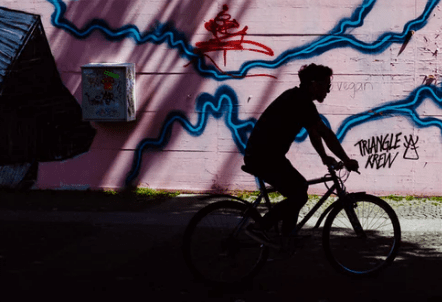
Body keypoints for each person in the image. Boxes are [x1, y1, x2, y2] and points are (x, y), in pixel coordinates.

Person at [244, 63, 359, 249]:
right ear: (314, 84)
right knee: (299, 192)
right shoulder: (300, 101)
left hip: (266, 155)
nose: (328, 90)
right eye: (327, 85)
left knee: (297, 189)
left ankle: (286, 238)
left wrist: (324, 156)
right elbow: (325, 133)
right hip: (264, 157)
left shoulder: (298, 98)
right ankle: (260, 227)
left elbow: (314, 131)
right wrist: (346, 160)